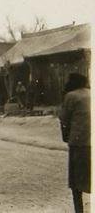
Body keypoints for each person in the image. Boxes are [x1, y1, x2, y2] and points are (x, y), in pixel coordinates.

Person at [59, 73, 90, 213]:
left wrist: (66, 137)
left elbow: (64, 120)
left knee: (76, 182)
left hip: (79, 143)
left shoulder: (71, 96)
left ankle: (79, 210)